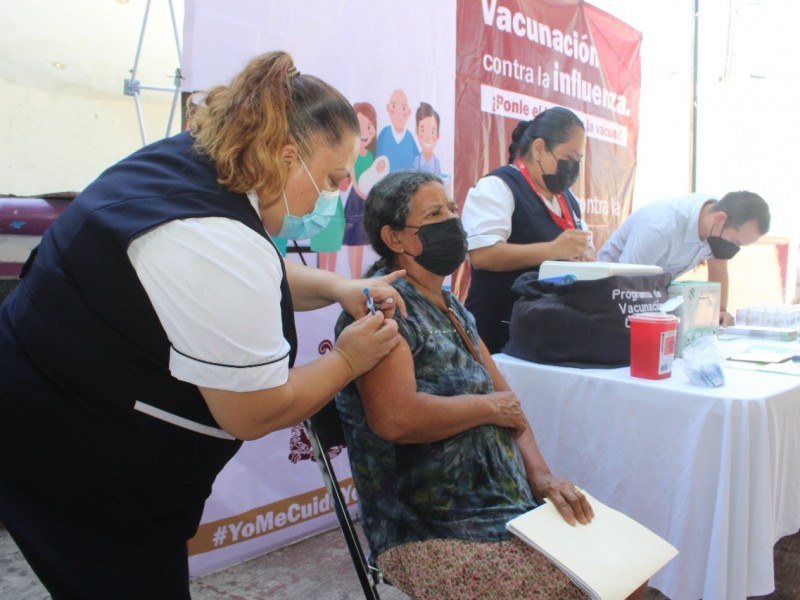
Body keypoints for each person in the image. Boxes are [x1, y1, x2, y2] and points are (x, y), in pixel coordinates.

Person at [0, 51, 406, 599]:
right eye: (333, 179)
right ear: (289, 157)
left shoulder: (194, 161)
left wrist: (338, 287)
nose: (334, 195)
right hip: (78, 464)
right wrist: (348, 359)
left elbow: (241, 279)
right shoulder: (214, 239)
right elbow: (254, 409)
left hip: (42, 398)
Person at [335, 170, 648, 600]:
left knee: (628, 572)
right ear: (395, 239)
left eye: (452, 210)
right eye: (434, 213)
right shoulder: (385, 309)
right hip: (428, 528)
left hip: (505, 509)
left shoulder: (452, 308)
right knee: (586, 588)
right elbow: (396, 418)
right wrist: (486, 409)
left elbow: (510, 405)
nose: (452, 222)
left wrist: (541, 475)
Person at [462, 107, 595, 354]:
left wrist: (583, 258)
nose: (573, 167)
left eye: (578, 160)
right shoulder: (499, 186)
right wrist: (553, 250)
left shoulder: (568, 200)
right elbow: (482, 256)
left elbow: (582, 249)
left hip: (547, 333)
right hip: (498, 333)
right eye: (569, 157)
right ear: (539, 148)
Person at [597, 191, 770, 326]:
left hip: (650, 294)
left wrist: (719, 312)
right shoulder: (659, 227)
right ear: (720, 219)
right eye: (734, 242)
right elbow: (629, 287)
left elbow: (718, 270)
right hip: (607, 297)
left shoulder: (717, 222)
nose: (733, 249)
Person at [375, 88, 419, 171]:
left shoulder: (409, 137)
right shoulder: (384, 134)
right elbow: (376, 160)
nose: (399, 114)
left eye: (403, 108)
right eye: (394, 106)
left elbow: (417, 163)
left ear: (409, 112)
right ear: (388, 108)